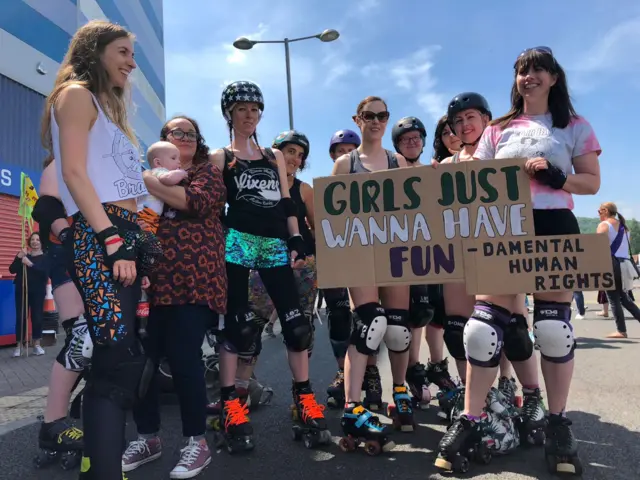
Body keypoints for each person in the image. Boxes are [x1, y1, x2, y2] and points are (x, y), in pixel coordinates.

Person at [438, 47, 601, 476]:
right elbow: (475, 180)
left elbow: (591, 182)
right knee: (481, 329)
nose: (528, 77)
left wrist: (557, 176)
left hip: (554, 225)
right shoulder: (497, 129)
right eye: (522, 71)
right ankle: (471, 420)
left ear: (552, 77)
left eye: (537, 70)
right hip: (504, 227)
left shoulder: (574, 125)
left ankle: (558, 423)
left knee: (552, 328)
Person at [41, 20, 158, 479]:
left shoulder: (109, 113)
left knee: (121, 359)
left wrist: (136, 243)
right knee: (114, 360)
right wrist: (111, 238)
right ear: (96, 50)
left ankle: (101, 466)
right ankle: (103, 469)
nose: (131, 63)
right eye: (124, 52)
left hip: (123, 231)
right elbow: (72, 173)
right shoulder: (75, 96)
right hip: (99, 233)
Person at [211, 81, 329, 451]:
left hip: (274, 244)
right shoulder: (220, 157)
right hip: (237, 244)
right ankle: (231, 403)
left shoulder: (272, 155)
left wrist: (295, 236)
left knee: (297, 327)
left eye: (255, 109)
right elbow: (215, 208)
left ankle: (304, 399)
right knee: (239, 329)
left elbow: (286, 203)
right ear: (229, 114)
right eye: (242, 109)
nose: (249, 115)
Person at [121, 115, 227, 479]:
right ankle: (147, 437)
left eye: (191, 134)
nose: (185, 138)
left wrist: (150, 179)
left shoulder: (207, 172)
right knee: (143, 365)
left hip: (193, 281)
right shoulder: (144, 175)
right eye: (176, 132)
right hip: (149, 283)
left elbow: (195, 203)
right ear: (163, 139)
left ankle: (196, 443)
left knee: (185, 361)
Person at [435, 94, 539, 429]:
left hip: (499, 251)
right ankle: (475, 400)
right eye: (458, 122)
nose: (464, 126)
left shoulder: (502, 154)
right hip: (459, 254)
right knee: (460, 332)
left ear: (485, 119)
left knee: (513, 331)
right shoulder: (446, 166)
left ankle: (529, 396)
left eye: (470, 118)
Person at [332, 95, 411, 454]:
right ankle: (352, 405)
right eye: (368, 115)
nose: (376, 121)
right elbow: (332, 220)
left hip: (396, 252)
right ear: (358, 118)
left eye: (382, 116)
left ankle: (400, 391)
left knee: (397, 328)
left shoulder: (399, 161)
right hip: (360, 252)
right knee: (369, 324)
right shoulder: (345, 165)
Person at [390, 116, 457, 410]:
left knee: (437, 314)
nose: (412, 142)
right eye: (406, 139)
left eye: (417, 137)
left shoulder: (433, 168)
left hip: (436, 249)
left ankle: (436, 367)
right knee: (415, 315)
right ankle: (412, 371)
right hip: (404, 251)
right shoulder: (390, 168)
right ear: (397, 144)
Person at [31, 156, 87, 468]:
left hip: (95, 257)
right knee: (82, 337)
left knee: (104, 340)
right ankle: (53, 423)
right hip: (65, 253)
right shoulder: (64, 158)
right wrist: (69, 236)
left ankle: (76, 414)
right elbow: (45, 207)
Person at [597, 202, 640, 339]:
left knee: (613, 298)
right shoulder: (625, 228)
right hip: (624, 264)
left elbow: (596, 247)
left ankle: (621, 331)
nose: (598, 214)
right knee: (623, 298)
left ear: (605, 211)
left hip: (611, 264)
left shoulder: (604, 226)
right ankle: (621, 329)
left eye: (599, 211)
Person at [10, 232, 49, 357]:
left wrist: (30, 264)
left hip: (37, 290)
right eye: (32, 239)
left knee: (37, 316)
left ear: (41, 242)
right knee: (21, 317)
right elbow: (12, 270)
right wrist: (19, 257)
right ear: (29, 242)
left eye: (37, 239)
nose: (35, 242)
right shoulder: (24, 255)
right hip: (21, 288)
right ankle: (19, 346)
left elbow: (44, 273)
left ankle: (36, 344)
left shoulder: (45, 257)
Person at [137, 141, 188, 234]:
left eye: (178, 158)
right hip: (144, 212)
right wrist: (181, 173)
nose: (179, 161)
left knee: (145, 236)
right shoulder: (159, 171)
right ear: (158, 163)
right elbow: (167, 179)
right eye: (173, 158)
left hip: (151, 215)